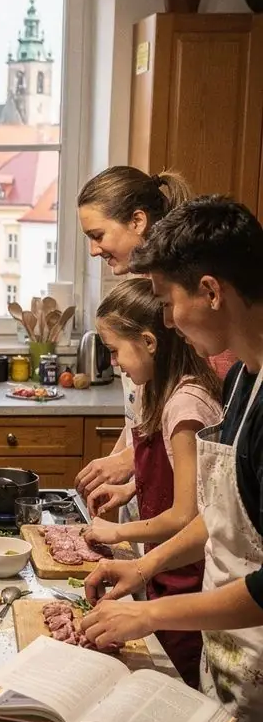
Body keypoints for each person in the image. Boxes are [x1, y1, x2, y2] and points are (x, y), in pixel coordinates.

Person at [82, 198, 263, 722]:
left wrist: (146, 610)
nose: (167, 315)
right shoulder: (251, 381)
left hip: (257, 652)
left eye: (165, 294)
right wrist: (144, 566)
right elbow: (217, 522)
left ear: (209, 287)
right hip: (233, 655)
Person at [84, 277, 222, 684]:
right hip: (166, 573)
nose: (113, 364)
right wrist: (131, 487)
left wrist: (116, 531)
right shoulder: (156, 392)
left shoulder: (185, 406)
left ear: (149, 342)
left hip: (189, 578)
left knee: (180, 684)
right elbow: (176, 476)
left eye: (114, 351)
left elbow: (186, 515)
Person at [75, 166, 193, 508]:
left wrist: (131, 459)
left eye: (98, 235)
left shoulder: (184, 302)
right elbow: (148, 411)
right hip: (154, 490)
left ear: (138, 221)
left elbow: (202, 417)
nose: (94, 250)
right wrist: (126, 467)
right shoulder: (146, 289)